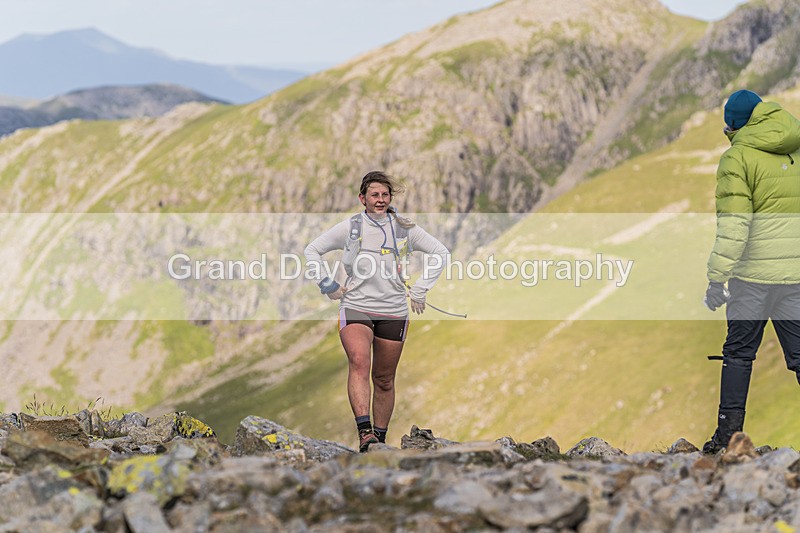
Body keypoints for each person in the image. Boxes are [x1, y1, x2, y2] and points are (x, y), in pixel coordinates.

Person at [304, 171, 450, 452]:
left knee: (384, 379)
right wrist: (327, 283)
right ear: (363, 199)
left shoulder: (405, 228)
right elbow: (312, 250)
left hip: (394, 310)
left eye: (385, 195)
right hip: (356, 305)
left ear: (390, 198)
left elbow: (441, 253)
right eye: (374, 195)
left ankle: (378, 444)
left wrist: (420, 289)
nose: (380, 200)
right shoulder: (350, 227)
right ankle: (364, 433)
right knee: (359, 362)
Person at [703, 89, 800, 453]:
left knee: (739, 354)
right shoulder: (795, 147)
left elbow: (734, 226)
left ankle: (728, 440)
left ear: (735, 124)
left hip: (752, 280)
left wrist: (717, 277)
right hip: (795, 275)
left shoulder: (737, 158)